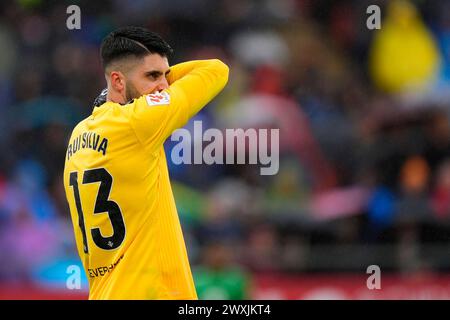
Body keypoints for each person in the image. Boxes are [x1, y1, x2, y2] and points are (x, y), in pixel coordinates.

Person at [63, 26, 229, 299]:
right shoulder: (139, 121)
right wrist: (168, 79)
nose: (163, 86)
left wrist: (146, 78)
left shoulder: (80, 133)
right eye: (152, 75)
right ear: (117, 81)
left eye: (166, 75)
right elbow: (216, 70)